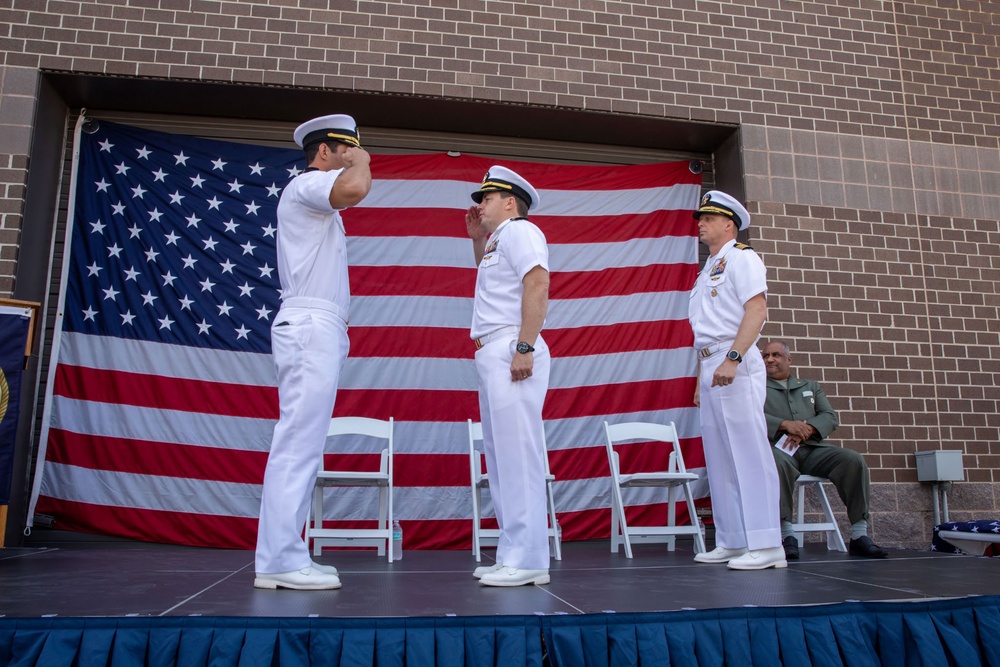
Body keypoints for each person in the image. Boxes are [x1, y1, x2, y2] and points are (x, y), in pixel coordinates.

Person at [254, 114, 372, 590]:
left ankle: (287, 552)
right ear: (326, 152)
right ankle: (280, 559)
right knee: (297, 443)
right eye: (348, 148)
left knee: (304, 444)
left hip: (318, 326)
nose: (355, 155)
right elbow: (355, 189)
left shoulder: (315, 198)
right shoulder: (307, 185)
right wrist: (361, 162)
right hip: (309, 325)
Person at [688, 190, 786, 570]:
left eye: (708, 218)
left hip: (735, 361)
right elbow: (704, 331)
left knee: (748, 454)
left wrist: (733, 358)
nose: (701, 223)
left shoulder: (742, 258)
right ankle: (732, 540)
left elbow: (756, 310)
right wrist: (702, 377)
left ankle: (766, 543)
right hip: (712, 364)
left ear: (729, 223)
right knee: (720, 457)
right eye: (701, 218)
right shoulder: (707, 268)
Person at [465, 166, 552, 587]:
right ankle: (513, 553)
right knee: (501, 460)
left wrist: (525, 345)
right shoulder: (499, 238)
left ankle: (531, 556)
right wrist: (479, 241)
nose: (479, 205)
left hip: (511, 347)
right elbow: (495, 288)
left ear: (510, 201)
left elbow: (537, 284)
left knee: (519, 456)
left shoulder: (521, 232)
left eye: (486, 197)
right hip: (493, 349)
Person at [761, 340, 888, 559]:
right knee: (776, 461)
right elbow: (751, 416)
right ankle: (786, 534)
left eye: (776, 355)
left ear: (789, 360)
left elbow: (829, 416)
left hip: (813, 449)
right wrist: (784, 424)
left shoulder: (810, 386)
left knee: (852, 460)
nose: (769, 359)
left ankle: (859, 534)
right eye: (765, 356)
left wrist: (807, 428)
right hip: (780, 450)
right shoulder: (757, 387)